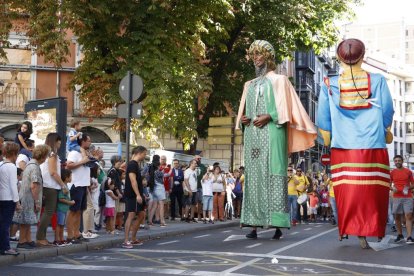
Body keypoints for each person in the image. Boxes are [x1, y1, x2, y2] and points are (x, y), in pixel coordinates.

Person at [317, 38, 394, 249]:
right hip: (373, 144)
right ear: (362, 56)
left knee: (347, 191)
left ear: (338, 57)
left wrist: (326, 136)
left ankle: (346, 228)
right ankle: (372, 229)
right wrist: (385, 129)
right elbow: (387, 111)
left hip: (343, 146)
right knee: (373, 191)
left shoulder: (329, 83)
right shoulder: (378, 81)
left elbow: (323, 119)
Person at [235, 40, 316, 240]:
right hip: (253, 135)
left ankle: (277, 224)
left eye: (260, 54)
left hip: (273, 132)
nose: (256, 58)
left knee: (274, 175)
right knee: (253, 178)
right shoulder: (249, 84)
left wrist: (270, 116)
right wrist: (244, 119)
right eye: (254, 54)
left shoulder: (280, 80)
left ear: (268, 58)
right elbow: (244, 112)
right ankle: (253, 225)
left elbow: (286, 109)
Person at [13, 144, 50, 249]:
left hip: (25, 196)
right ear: (43, 156)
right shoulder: (34, 167)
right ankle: (22, 241)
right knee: (25, 221)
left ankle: (28, 240)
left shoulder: (30, 164)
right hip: (28, 198)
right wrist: (37, 201)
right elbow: (34, 185)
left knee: (27, 221)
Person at [37, 133, 68, 246]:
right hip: (50, 186)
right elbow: (53, 172)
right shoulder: (52, 155)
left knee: (47, 213)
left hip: (46, 186)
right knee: (48, 213)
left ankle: (41, 237)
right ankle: (40, 237)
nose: (60, 144)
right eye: (59, 141)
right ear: (55, 142)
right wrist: (63, 185)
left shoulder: (46, 154)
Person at [66, 133, 92, 244]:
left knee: (79, 211)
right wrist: (82, 162)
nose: (90, 143)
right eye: (89, 141)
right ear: (83, 141)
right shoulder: (74, 153)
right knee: (73, 211)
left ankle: (77, 234)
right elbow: (69, 165)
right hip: (75, 185)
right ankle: (70, 235)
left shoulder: (85, 153)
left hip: (83, 185)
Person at [123, 146, 147, 248]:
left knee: (141, 215)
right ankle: (126, 240)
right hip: (132, 195)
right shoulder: (132, 164)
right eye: (144, 154)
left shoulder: (135, 164)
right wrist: (137, 194)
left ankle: (133, 238)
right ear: (139, 153)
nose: (145, 156)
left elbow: (136, 180)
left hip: (137, 194)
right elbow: (133, 181)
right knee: (131, 216)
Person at [0, 142, 20, 255]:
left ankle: (2, 246)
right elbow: (13, 186)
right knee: (6, 225)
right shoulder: (12, 167)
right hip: (8, 199)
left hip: (1, 198)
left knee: (1, 224)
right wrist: (17, 202)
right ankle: (6, 247)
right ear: (13, 154)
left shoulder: (1, 165)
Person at [390, 155, 414, 244]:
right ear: (394, 162)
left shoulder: (408, 171)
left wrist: (408, 188)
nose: (397, 162)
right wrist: (392, 189)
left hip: (407, 197)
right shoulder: (392, 172)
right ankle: (400, 235)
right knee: (397, 217)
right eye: (395, 161)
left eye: (399, 160)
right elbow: (388, 184)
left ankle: (409, 237)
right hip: (396, 197)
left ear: (402, 161)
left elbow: (413, 184)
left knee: (409, 216)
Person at [144, 155, 167, 227]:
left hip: (152, 189)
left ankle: (150, 220)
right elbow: (167, 175)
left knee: (154, 205)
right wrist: (165, 170)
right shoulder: (158, 172)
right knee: (161, 205)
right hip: (159, 189)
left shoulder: (149, 168)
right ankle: (162, 221)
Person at [55, 169, 75, 246]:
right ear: (66, 177)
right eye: (70, 176)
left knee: (62, 224)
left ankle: (61, 239)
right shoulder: (62, 187)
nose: (71, 178)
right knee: (59, 224)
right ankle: (57, 239)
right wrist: (69, 202)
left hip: (64, 209)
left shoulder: (65, 185)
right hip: (61, 209)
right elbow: (60, 198)